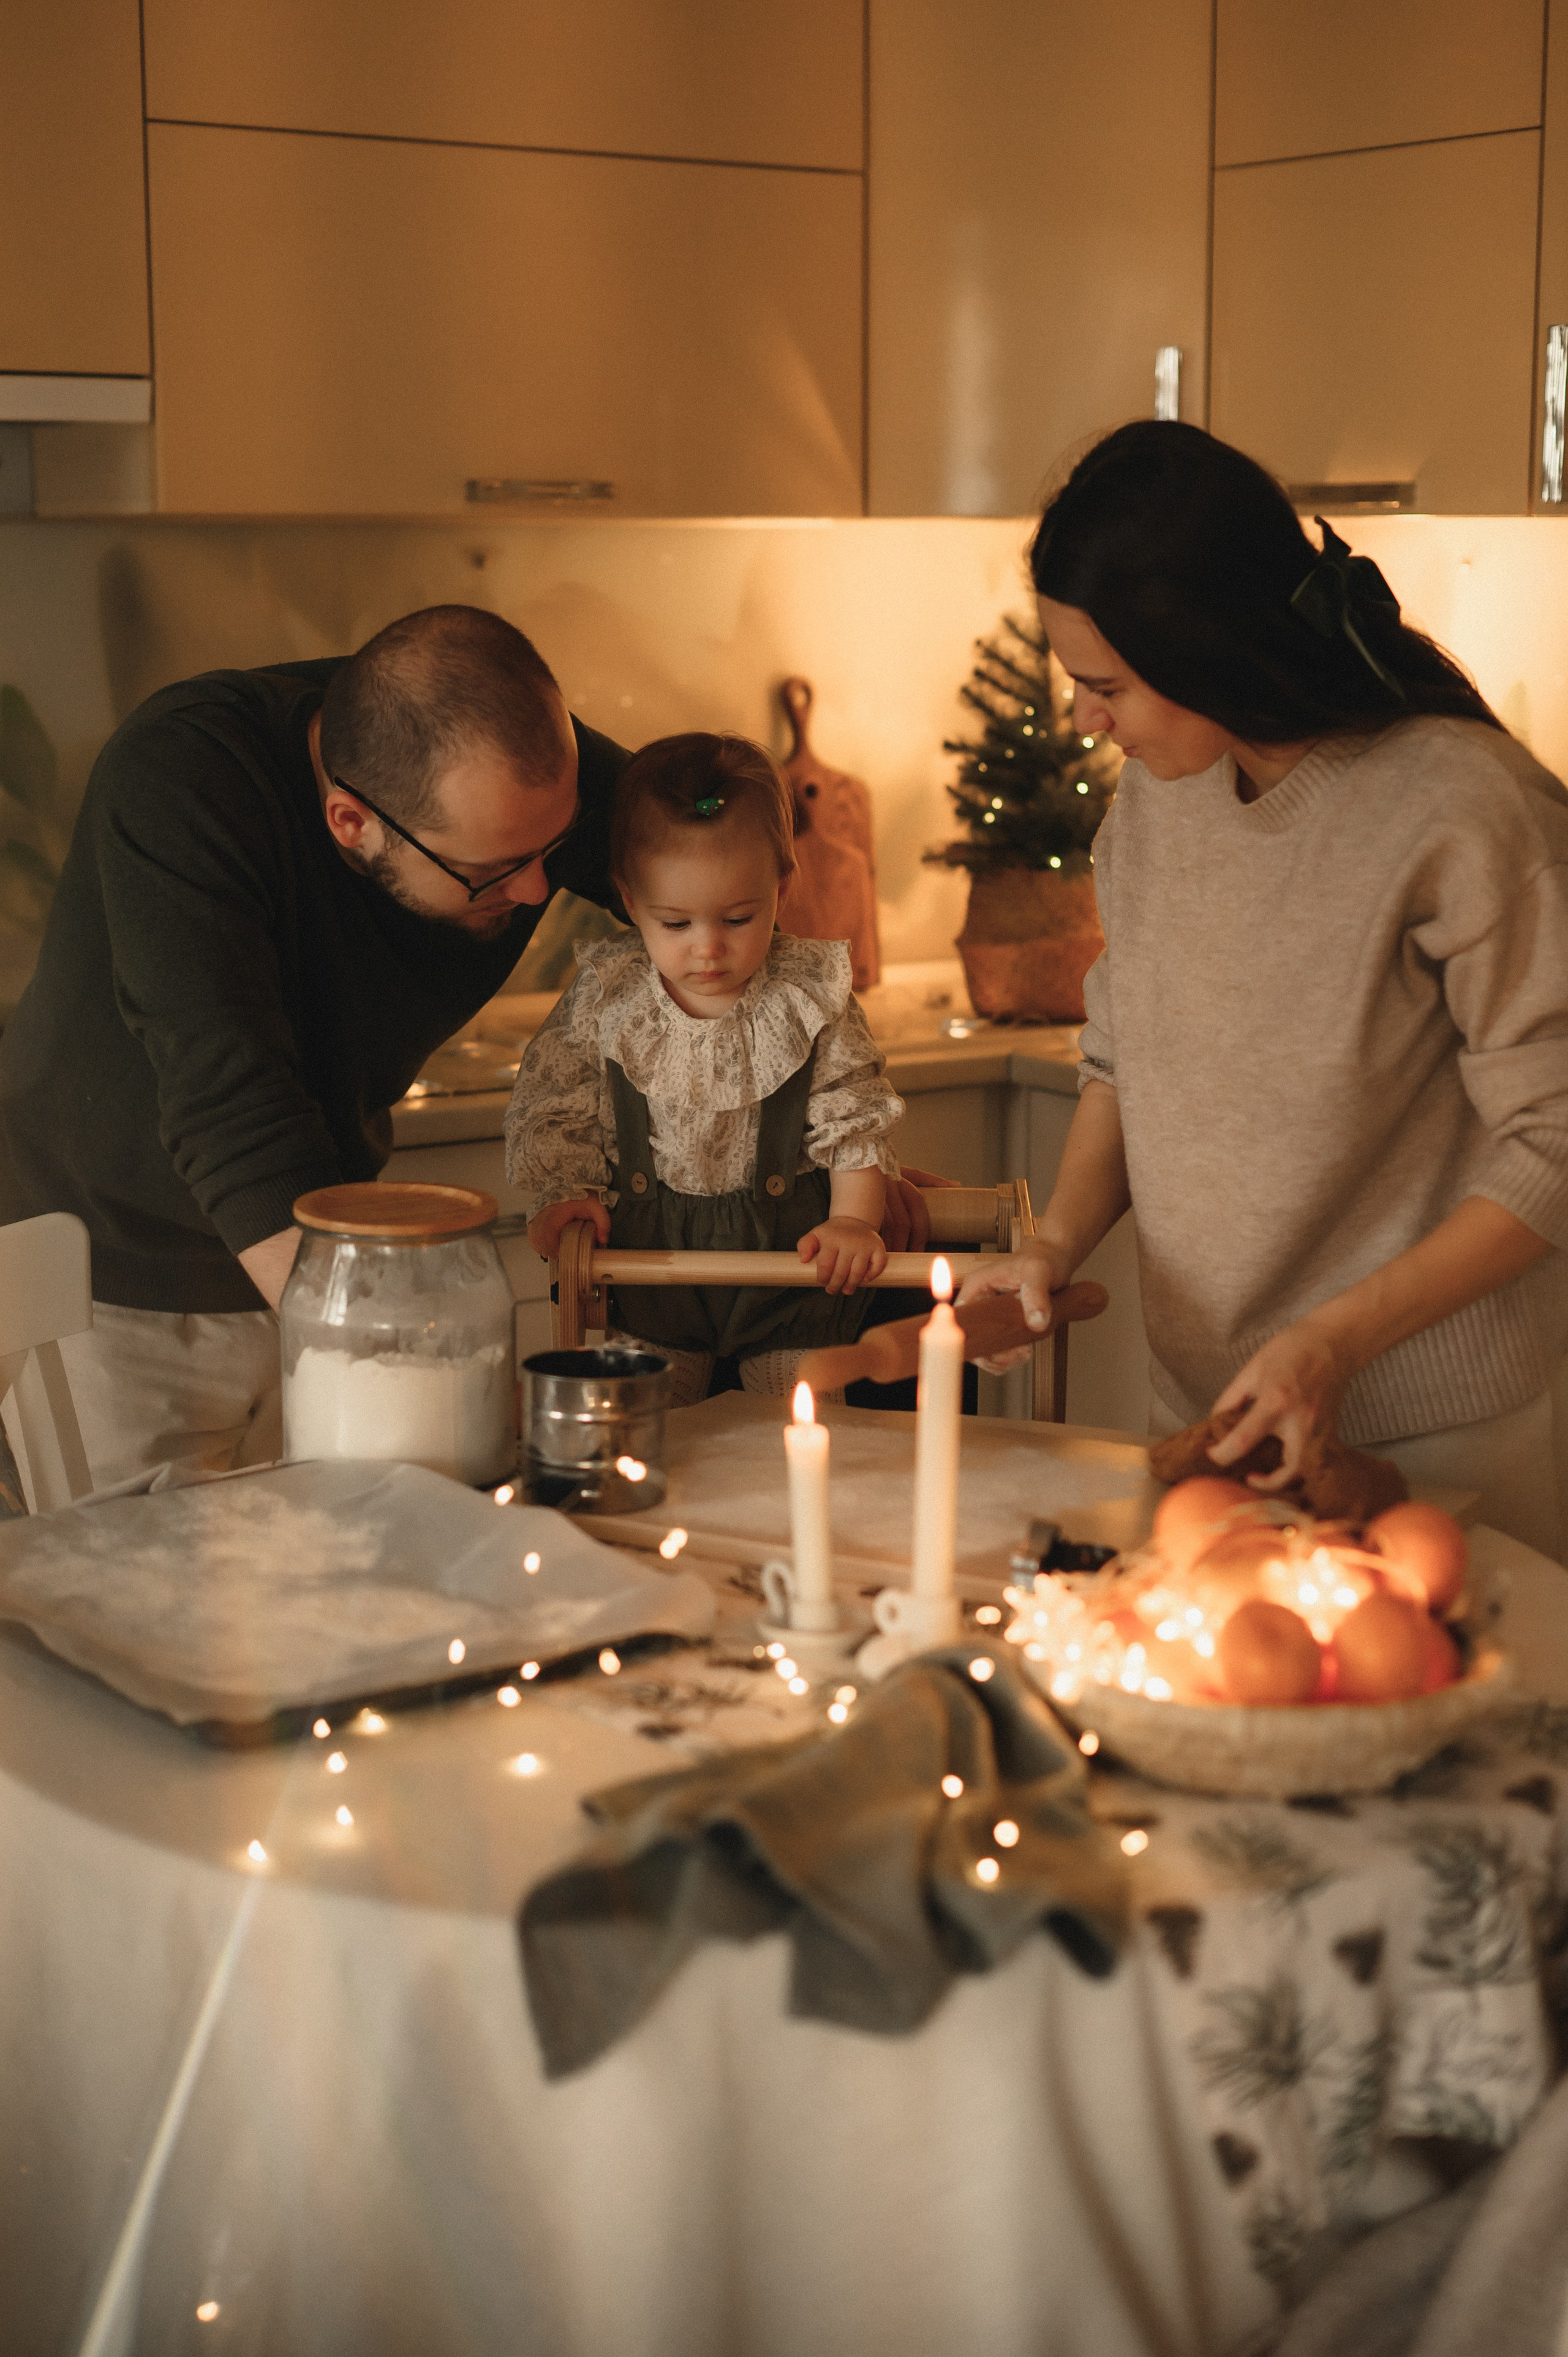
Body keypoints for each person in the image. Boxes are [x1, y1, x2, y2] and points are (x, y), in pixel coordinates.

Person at [960, 422, 1568, 1555]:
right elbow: (1121, 1061)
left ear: (1209, 651)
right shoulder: (1154, 804)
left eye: (1107, 685)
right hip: (1208, 1413)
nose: (1083, 719)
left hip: (1434, 1438)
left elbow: (1555, 1139)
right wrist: (1052, 1249)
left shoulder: (1461, 809)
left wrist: (1334, 1343)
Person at [505, 732, 903, 1405]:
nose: (709, 947)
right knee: (654, 1434)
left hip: (792, 1273)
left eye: (739, 917)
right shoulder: (609, 995)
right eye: (676, 922)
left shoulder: (810, 992)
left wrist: (855, 1221)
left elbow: (854, 1116)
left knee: (803, 1421)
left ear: (781, 886)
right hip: (651, 1275)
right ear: (630, 901)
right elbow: (555, 1106)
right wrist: (562, 1196)